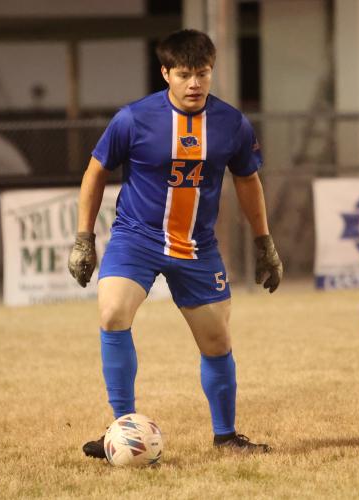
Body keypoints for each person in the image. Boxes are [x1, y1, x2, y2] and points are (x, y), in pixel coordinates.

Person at [68, 29, 282, 458]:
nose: (195, 84)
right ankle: (121, 428)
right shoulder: (132, 118)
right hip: (136, 237)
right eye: (184, 74)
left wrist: (264, 242)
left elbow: (247, 180)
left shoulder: (231, 124)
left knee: (217, 342)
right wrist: (84, 239)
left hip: (197, 246)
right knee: (112, 313)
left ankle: (225, 437)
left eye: (202, 73)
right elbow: (95, 172)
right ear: (165, 73)